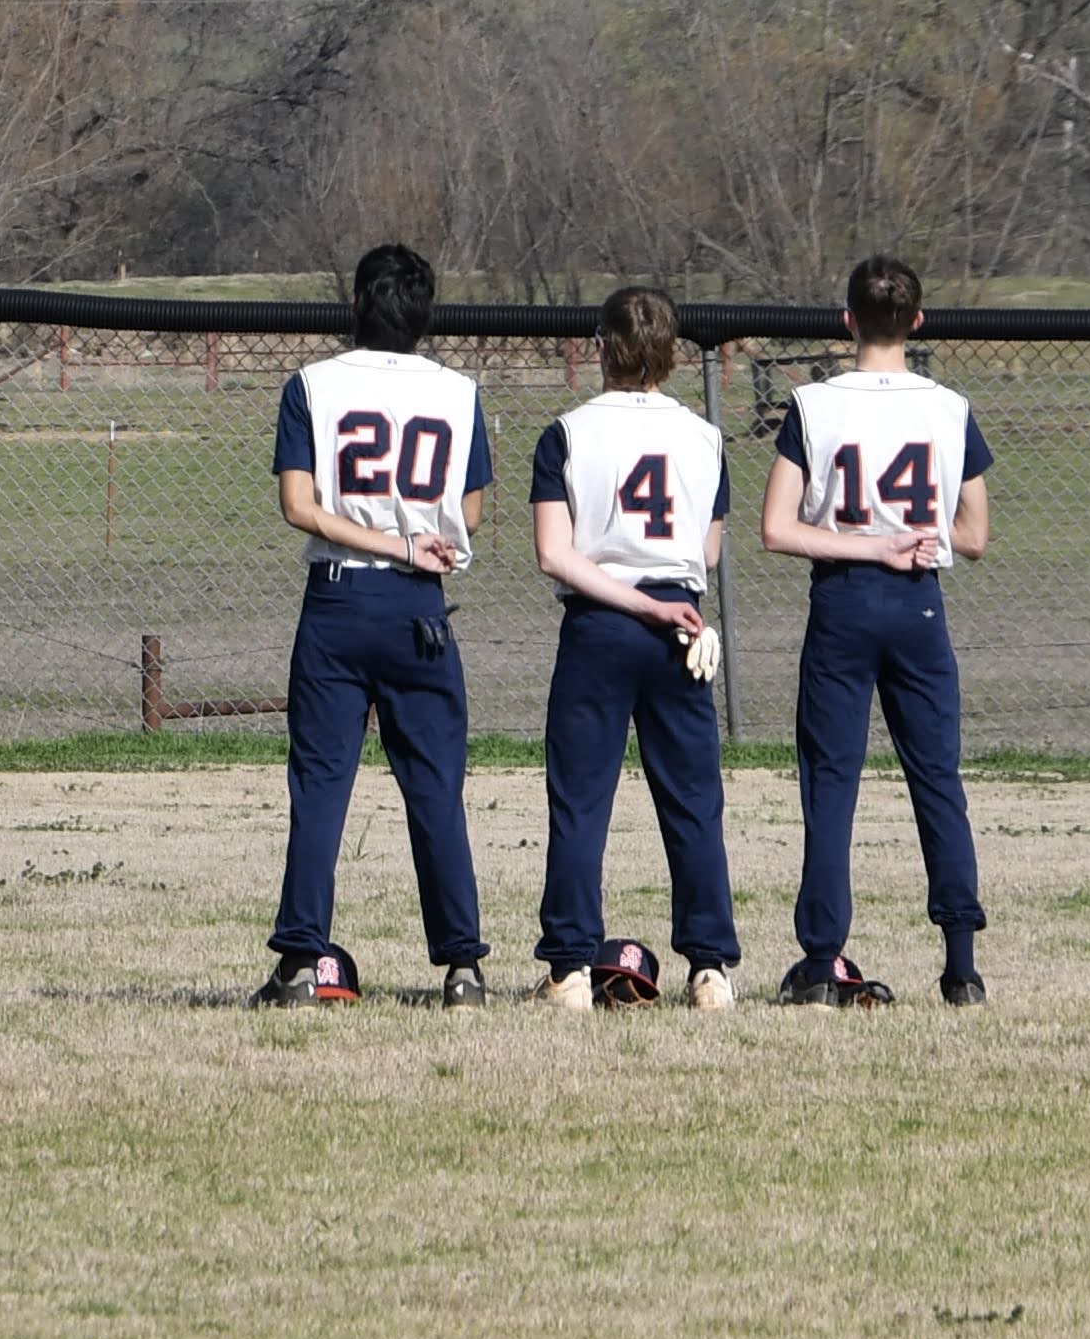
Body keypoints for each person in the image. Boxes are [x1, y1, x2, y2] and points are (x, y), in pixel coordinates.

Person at [251, 243, 495, 1009]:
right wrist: (413, 537)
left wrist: (382, 535)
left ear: (357, 304)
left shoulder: (314, 385)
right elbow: (472, 511)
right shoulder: (458, 390)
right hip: (418, 603)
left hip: (337, 599)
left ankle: (298, 961)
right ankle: (461, 966)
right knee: (434, 786)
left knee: (322, 785)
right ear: (425, 315)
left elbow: (299, 506)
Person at [761, 252, 994, 1007]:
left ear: (847, 319)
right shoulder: (948, 406)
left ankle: (824, 957)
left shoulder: (814, 404)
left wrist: (864, 541)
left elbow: (777, 527)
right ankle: (961, 965)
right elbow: (977, 532)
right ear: (917, 322)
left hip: (844, 598)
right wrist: (915, 535)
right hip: (919, 599)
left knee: (832, 782)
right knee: (937, 778)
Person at [526, 285, 739, 1009]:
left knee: (582, 799)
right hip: (681, 623)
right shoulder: (706, 437)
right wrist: (665, 601)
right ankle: (710, 966)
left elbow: (555, 553)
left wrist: (633, 595)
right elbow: (705, 552)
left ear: (601, 348)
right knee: (692, 800)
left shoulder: (568, 432)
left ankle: (570, 966)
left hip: (601, 622)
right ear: (672, 354)